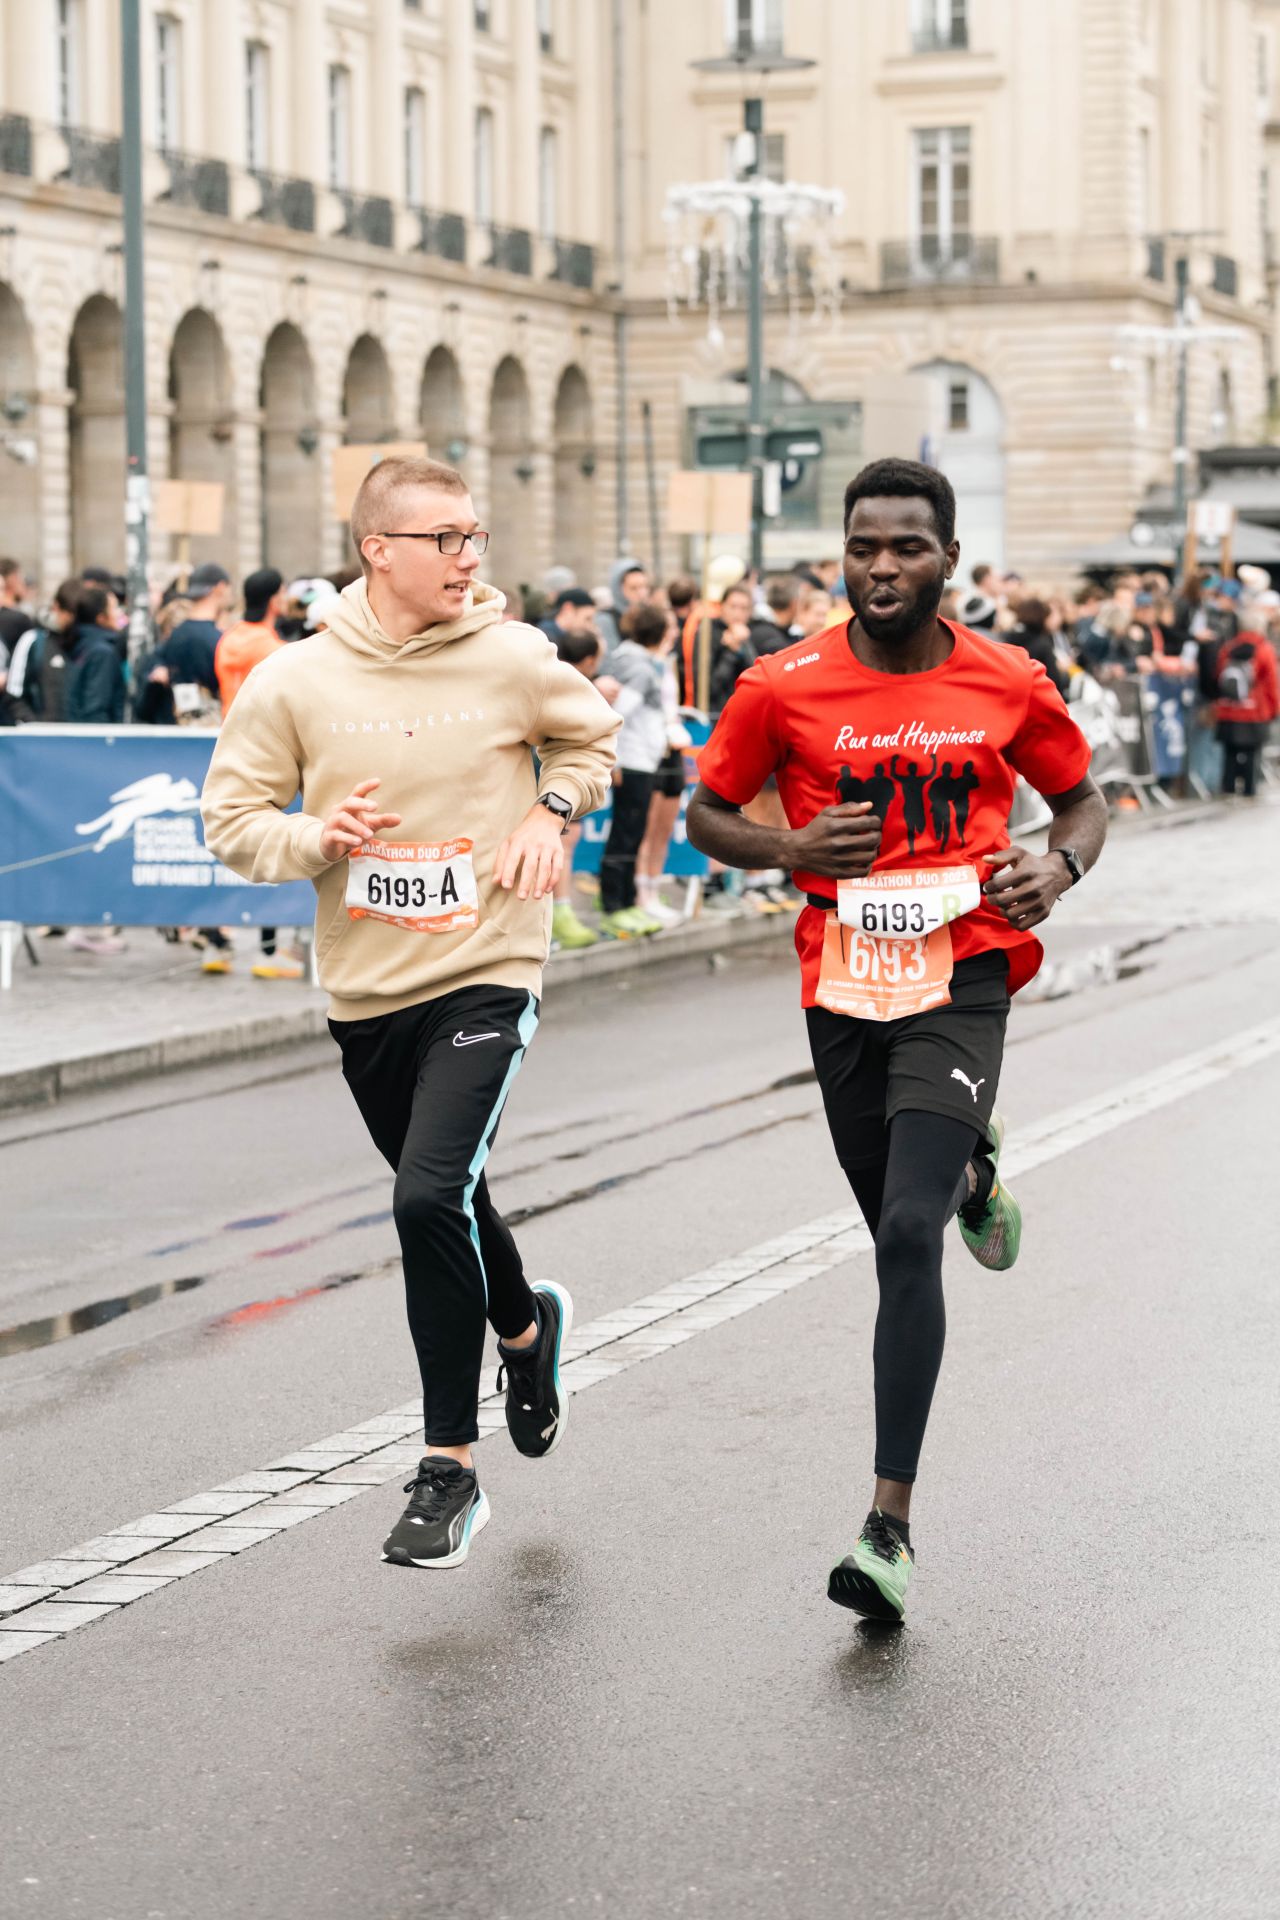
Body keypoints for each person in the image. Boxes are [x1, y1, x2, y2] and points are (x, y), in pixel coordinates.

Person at [686, 456, 1106, 1624]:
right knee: (895, 1215)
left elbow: (1082, 801)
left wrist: (1056, 869)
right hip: (841, 975)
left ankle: (886, 1527)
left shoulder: (1006, 679)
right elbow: (705, 812)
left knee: (906, 1238)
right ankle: (971, 1169)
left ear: (946, 561)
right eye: (862, 547)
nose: (880, 567)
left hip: (963, 966)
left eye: (905, 547)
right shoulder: (779, 686)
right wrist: (788, 849)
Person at [203, 455, 619, 1569]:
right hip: (368, 991)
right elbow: (231, 820)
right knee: (452, 1197)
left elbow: (592, 743)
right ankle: (526, 1330)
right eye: (446, 538)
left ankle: (448, 1471)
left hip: (487, 966)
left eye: (475, 535)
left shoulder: (513, 655)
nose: (469, 556)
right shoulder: (294, 680)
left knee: (425, 1193)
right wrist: (316, 836)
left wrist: (549, 812)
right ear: (377, 550)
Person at [598, 602, 670, 938]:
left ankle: (624, 901)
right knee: (627, 834)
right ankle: (616, 904)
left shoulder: (625, 659)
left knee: (629, 833)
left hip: (634, 758)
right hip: (634, 760)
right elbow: (620, 712)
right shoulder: (640, 667)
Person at [1215, 623, 1279, 798]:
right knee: (1252, 752)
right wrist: (1274, 708)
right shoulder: (1264, 649)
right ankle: (1249, 789)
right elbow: (1271, 682)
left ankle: (1228, 788)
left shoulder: (1228, 647)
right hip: (1255, 710)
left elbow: (1218, 674)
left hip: (1228, 709)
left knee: (1230, 751)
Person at [215, 568, 288, 714]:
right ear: (274, 601)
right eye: (283, 592)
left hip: (229, 721)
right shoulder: (276, 650)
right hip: (259, 724)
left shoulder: (227, 639)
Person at [65, 584, 126, 724]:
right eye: (115, 608)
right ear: (101, 618)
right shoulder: (102, 653)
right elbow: (95, 710)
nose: (120, 613)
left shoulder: (81, 644)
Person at [595, 557, 650, 655]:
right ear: (618, 589)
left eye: (644, 586)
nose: (641, 593)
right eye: (633, 588)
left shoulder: (649, 616)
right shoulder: (606, 619)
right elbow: (610, 658)